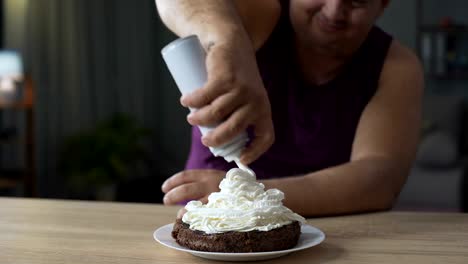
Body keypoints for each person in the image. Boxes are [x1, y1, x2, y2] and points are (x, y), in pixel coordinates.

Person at [155, 0, 424, 216]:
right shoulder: (261, 16)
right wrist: (229, 42)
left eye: (356, 1)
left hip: (329, 235)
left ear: (383, 4)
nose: (334, 10)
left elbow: (379, 179)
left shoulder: (396, 67)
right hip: (208, 220)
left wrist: (248, 194)